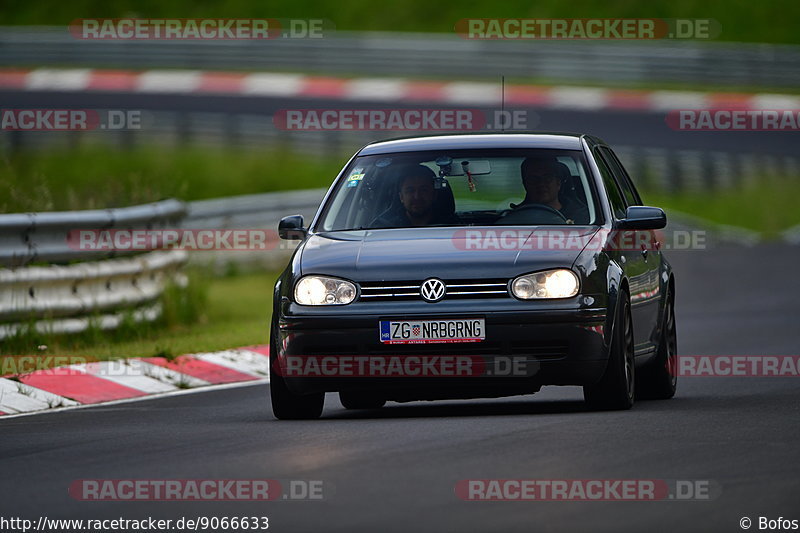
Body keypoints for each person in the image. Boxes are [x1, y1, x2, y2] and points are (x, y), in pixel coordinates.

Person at [371, 165, 458, 227]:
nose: (417, 196)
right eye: (410, 191)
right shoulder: (384, 228)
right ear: (401, 197)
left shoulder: (454, 227)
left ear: (434, 195)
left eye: (424, 190)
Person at [512, 157, 589, 224]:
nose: (541, 183)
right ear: (525, 184)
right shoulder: (514, 219)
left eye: (547, 178)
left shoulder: (583, 219)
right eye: (533, 179)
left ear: (558, 182)